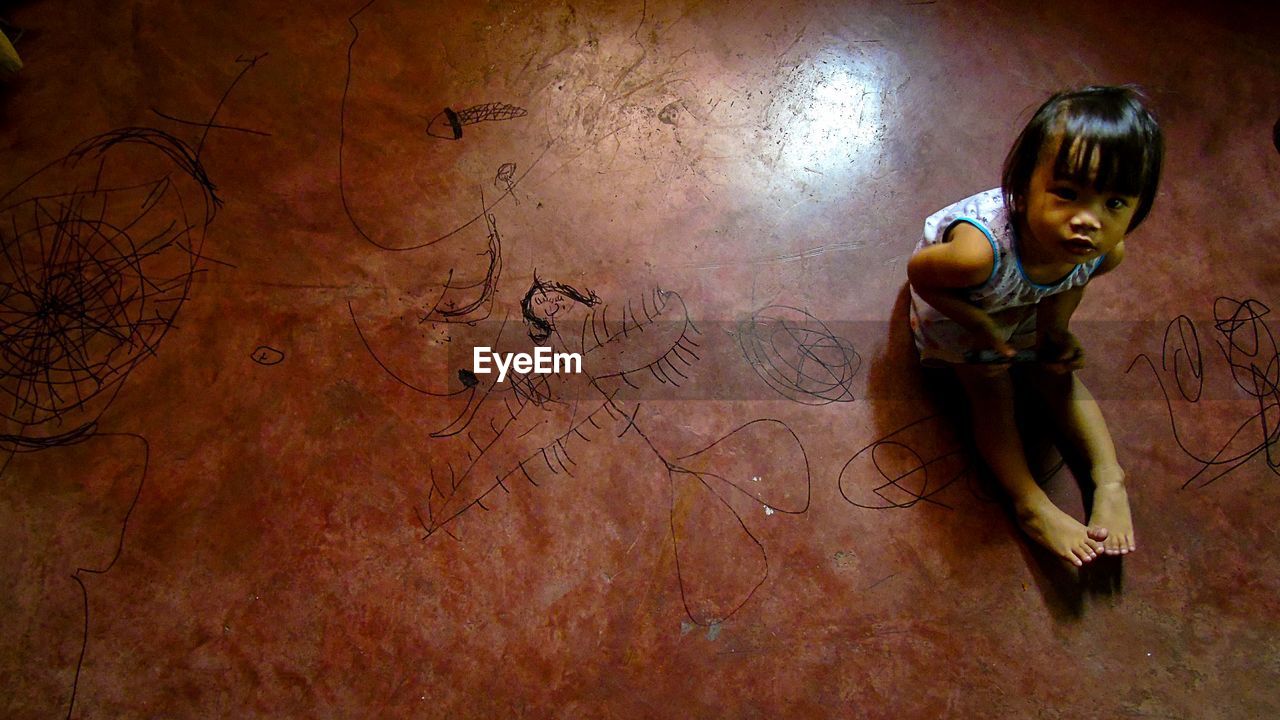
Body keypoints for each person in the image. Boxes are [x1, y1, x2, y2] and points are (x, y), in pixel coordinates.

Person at [906, 85, 1163, 566]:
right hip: (962, 306)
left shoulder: (1104, 250)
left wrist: (1056, 331)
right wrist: (982, 326)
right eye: (1066, 194)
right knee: (991, 389)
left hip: (1020, 304)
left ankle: (1109, 476)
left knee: (1058, 373)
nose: (1088, 220)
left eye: (1115, 204)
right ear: (1022, 193)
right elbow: (921, 278)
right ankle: (1030, 501)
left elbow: (1070, 284)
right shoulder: (975, 255)